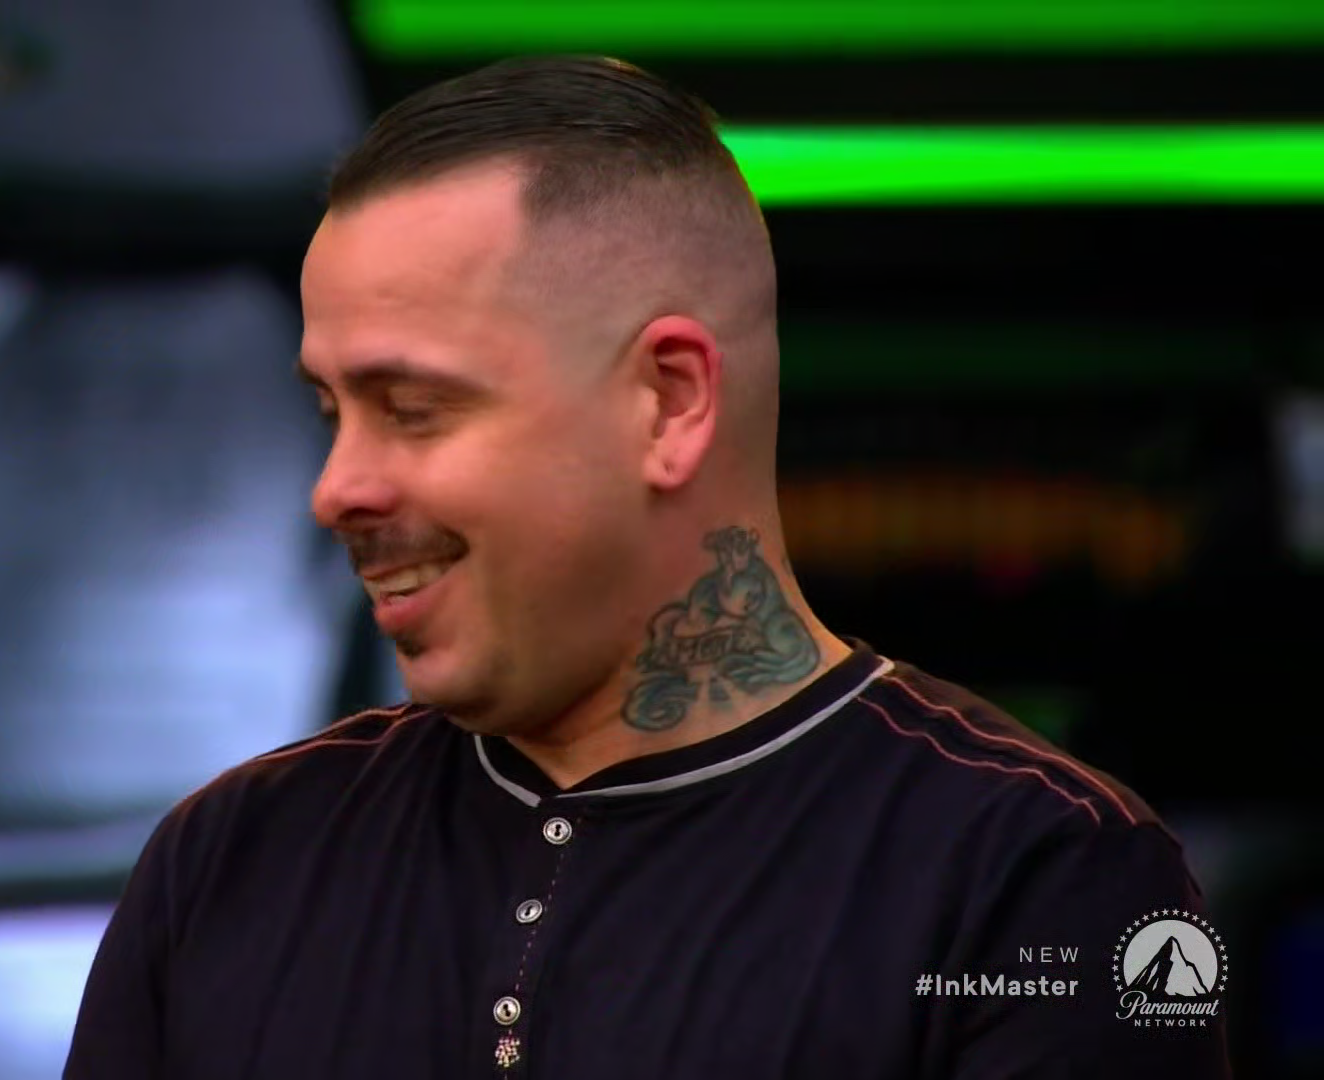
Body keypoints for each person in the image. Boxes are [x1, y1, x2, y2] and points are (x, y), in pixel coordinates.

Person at [65, 55, 1231, 1078]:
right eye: (332, 412)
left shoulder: (1040, 882)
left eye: (412, 409)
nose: (337, 489)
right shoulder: (229, 863)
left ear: (668, 402)